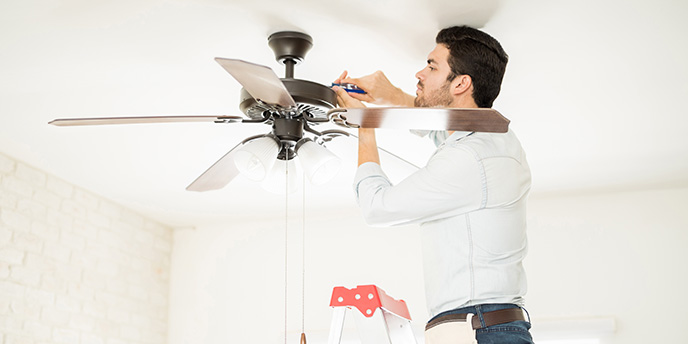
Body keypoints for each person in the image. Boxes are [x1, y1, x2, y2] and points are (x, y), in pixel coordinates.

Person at [332, 26, 533, 343]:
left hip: (479, 329)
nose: (419, 73)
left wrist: (365, 125)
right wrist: (394, 97)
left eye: (432, 66)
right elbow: (442, 127)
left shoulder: (470, 158)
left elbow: (377, 207)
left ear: (461, 83)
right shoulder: (490, 143)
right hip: (481, 326)